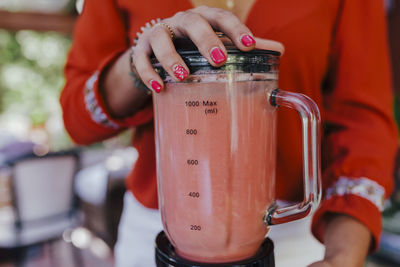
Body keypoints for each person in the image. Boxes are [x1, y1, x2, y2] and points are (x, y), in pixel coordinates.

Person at [60, 0, 398, 266]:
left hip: (292, 236)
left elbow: (362, 121)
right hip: (159, 230)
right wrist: (140, 64)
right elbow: (78, 121)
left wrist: (343, 256)